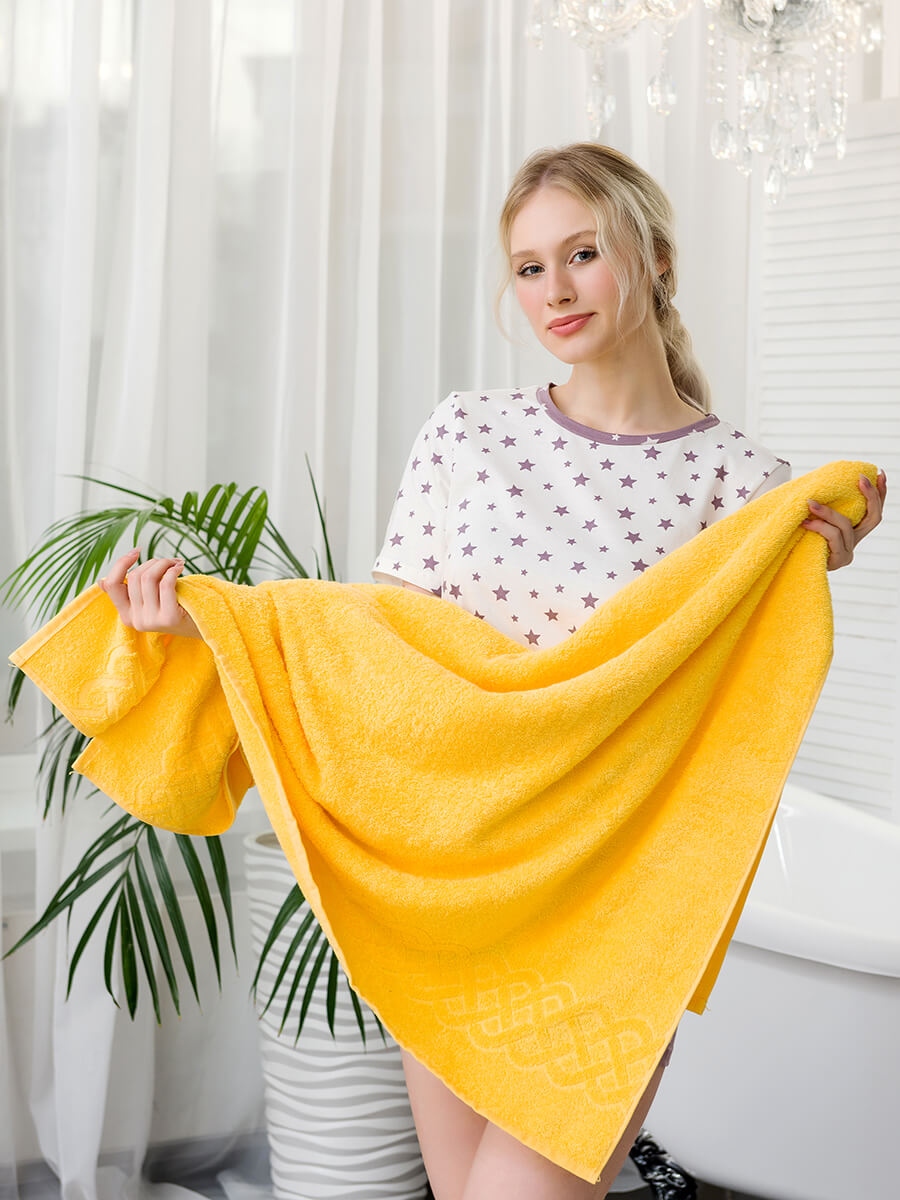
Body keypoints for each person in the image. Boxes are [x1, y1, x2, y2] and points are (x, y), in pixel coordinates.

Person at [100, 143, 885, 1199]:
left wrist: (805, 558)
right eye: (528, 267)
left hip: (608, 920)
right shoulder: (469, 432)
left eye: (583, 254)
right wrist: (214, 626)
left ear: (657, 259)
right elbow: (389, 652)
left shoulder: (745, 489)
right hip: (459, 895)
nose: (554, 290)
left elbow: (730, 720)